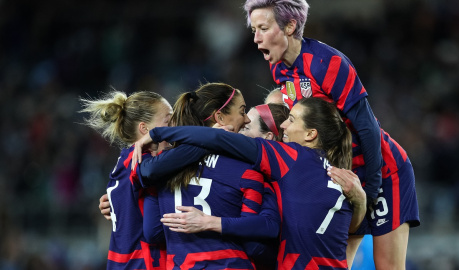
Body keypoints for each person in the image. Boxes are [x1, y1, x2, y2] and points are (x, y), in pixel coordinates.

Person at [243, 1, 420, 269]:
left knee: (387, 266)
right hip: (339, 172)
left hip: (382, 171)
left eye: (263, 28)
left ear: (290, 26)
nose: (256, 39)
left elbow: (367, 127)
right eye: (254, 29)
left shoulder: (328, 63)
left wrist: (370, 191)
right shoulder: (279, 68)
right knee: (333, 264)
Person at [134, 97, 367, 269]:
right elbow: (352, 234)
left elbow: (217, 138)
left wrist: (158, 134)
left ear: (311, 134)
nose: (285, 125)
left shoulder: (291, 157)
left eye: (292, 120)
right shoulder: (342, 177)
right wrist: (362, 201)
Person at [140, 83, 281, 269]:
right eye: (242, 111)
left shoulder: (162, 168)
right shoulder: (247, 169)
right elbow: (253, 245)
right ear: (220, 117)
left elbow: (152, 232)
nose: (246, 120)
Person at [79, 90, 173, 270]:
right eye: (168, 121)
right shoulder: (140, 161)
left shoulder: (126, 160)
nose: (175, 128)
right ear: (145, 129)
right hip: (141, 263)